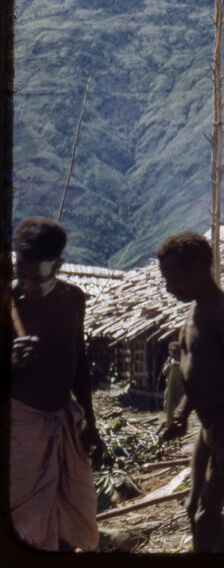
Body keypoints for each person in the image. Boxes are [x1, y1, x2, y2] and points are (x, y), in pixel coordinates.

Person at [157, 232, 224, 553]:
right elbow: (196, 377)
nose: (168, 287)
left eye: (172, 278)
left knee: (207, 516)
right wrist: (180, 416)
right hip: (209, 428)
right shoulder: (193, 314)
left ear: (198, 268)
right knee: (192, 508)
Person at [8, 217, 104, 552]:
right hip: (20, 429)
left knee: (68, 520)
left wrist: (91, 423)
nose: (28, 285)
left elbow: (77, 362)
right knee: (25, 525)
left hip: (65, 423)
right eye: (22, 275)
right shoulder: (7, 302)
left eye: (39, 277)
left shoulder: (72, 299)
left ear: (58, 266)